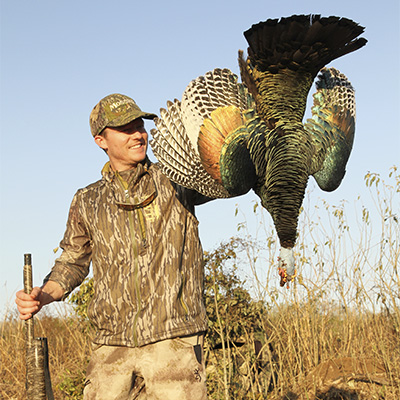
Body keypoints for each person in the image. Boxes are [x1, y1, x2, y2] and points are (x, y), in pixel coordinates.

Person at [15, 93, 210, 400]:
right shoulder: (88, 200)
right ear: (100, 140)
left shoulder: (175, 178)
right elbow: (73, 262)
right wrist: (43, 295)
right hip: (112, 347)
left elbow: (220, 178)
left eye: (139, 126)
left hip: (174, 340)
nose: (139, 134)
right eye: (125, 129)